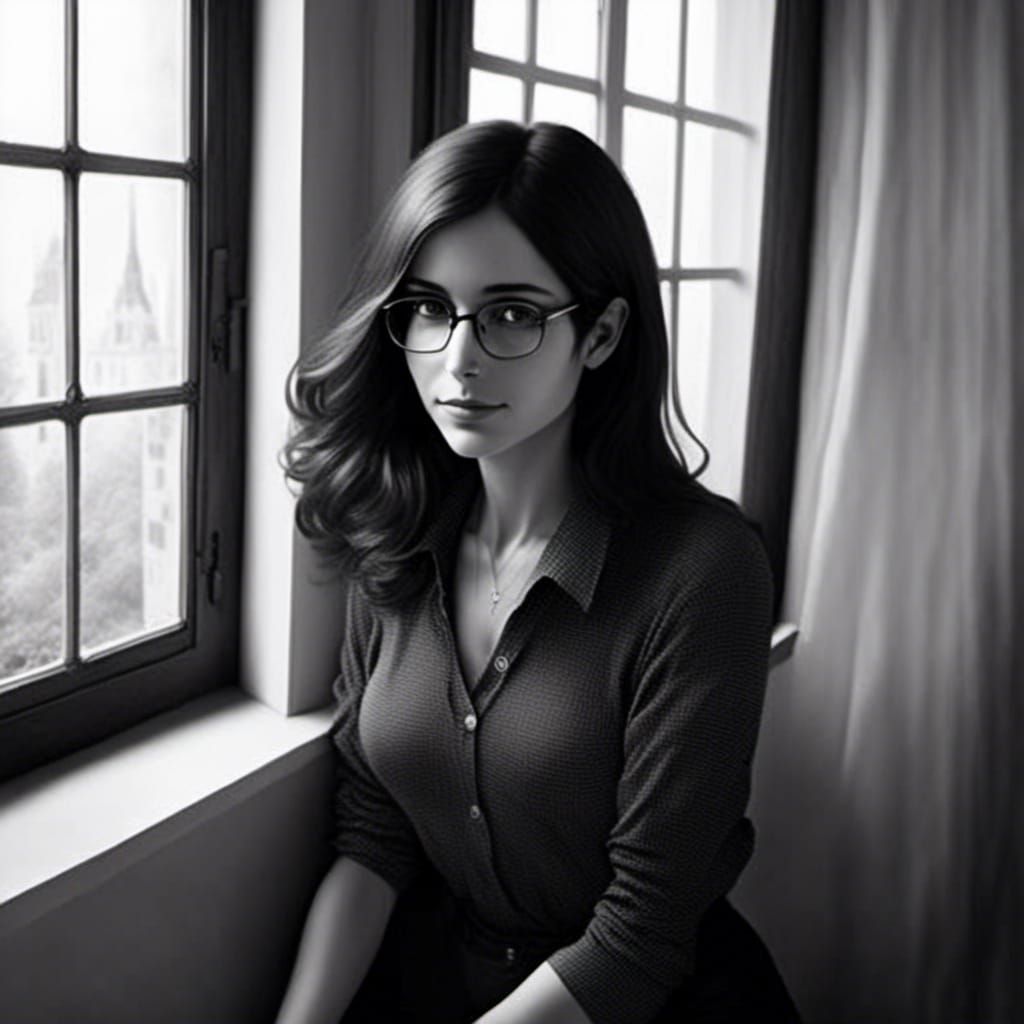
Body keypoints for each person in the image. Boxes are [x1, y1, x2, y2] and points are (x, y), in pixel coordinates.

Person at [276, 120, 801, 1024]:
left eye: (512, 313)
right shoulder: (396, 538)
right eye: (430, 309)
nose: (458, 358)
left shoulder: (703, 571)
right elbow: (376, 832)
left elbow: (640, 932)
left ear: (600, 335)